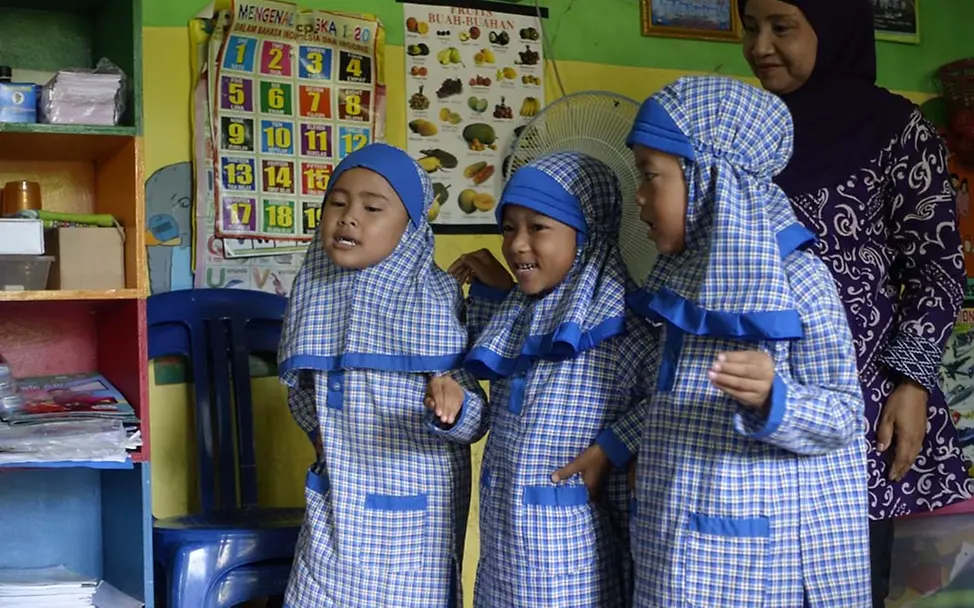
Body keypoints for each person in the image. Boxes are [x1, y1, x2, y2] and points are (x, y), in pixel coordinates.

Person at [738, 1, 971, 604]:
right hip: (749, 403)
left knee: (847, 585)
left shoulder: (894, 129)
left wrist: (912, 383)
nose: (760, 46)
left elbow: (937, 269)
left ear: (833, 26)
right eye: (750, 27)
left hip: (862, 412)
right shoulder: (742, 136)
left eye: (781, 27)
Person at [623, 76, 870, 606]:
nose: (638, 196)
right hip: (669, 535)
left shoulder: (797, 280)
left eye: (650, 177)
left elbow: (845, 415)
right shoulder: (677, 277)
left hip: (752, 558)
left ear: (712, 180)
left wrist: (773, 397)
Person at [428, 151, 657, 607]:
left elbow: (666, 399)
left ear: (588, 232)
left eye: (538, 227)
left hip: (569, 556)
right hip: (504, 548)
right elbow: (488, 383)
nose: (516, 244)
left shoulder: (619, 324)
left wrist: (609, 448)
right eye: (509, 227)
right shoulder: (519, 313)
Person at [277, 143, 483, 607]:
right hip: (335, 503)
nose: (349, 217)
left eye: (372, 208)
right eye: (337, 201)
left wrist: (454, 408)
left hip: (414, 515)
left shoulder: (434, 300)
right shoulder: (314, 292)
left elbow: (476, 419)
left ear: (409, 228)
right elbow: (300, 386)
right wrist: (318, 436)